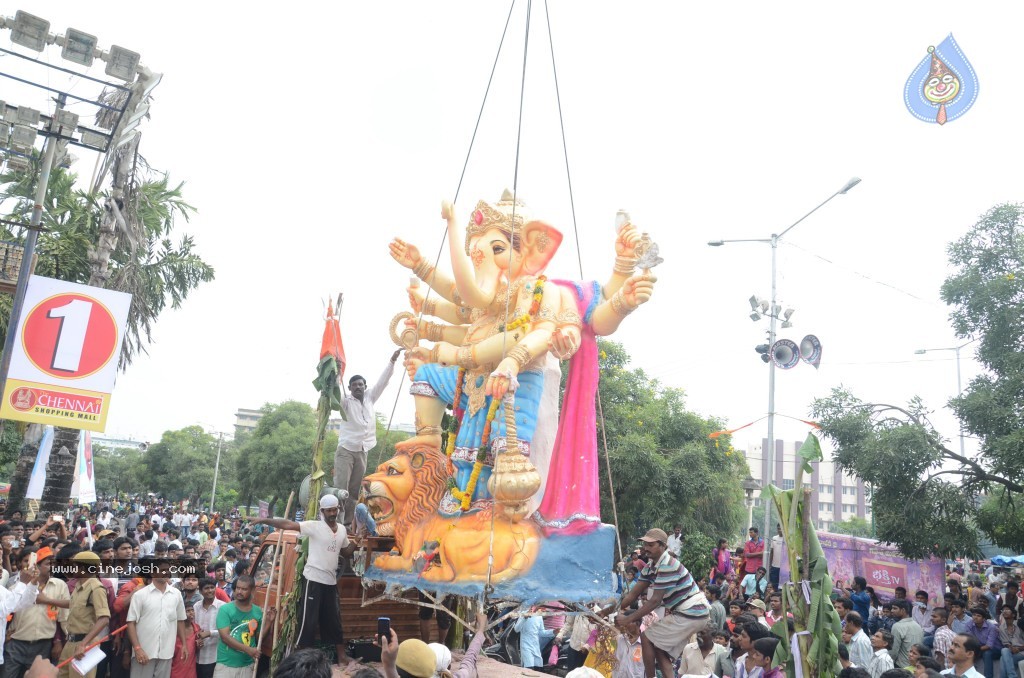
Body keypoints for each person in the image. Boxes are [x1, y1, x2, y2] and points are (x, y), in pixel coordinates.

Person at [250, 496, 356, 666]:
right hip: (313, 581)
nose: (332, 513)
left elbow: (346, 552)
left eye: (334, 509)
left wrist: (357, 540)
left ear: (338, 509)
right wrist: (264, 519)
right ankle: (303, 661)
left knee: (335, 620)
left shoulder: (342, 530)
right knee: (308, 621)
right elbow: (287, 524)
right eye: (328, 510)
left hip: (330, 582)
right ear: (322, 511)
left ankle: (342, 656)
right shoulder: (314, 526)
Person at [597, 529, 710, 678]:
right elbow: (631, 595)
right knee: (659, 649)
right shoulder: (650, 567)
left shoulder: (667, 564)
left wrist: (628, 618)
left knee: (647, 637)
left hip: (692, 611)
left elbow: (655, 601)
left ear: (663, 546)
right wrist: (604, 612)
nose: (646, 548)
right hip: (689, 613)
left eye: (651, 545)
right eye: (645, 544)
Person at [333, 350, 401, 525]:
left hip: (363, 451)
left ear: (365, 386)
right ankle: (337, 524)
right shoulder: (346, 402)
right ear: (349, 388)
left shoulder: (370, 398)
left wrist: (392, 361)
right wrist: (337, 373)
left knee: (354, 492)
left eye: (360, 384)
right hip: (346, 450)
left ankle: (347, 525)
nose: (358, 387)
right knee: (341, 489)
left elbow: (383, 382)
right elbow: (335, 393)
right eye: (354, 385)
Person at [126, 564, 189, 678]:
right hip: (144, 652)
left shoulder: (176, 594)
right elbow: (131, 623)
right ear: (152, 573)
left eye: (168, 570)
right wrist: (137, 649)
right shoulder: (140, 595)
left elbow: (180, 620)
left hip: (166, 651)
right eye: (162, 570)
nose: (166, 573)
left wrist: (184, 644)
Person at [57, 552, 108, 678]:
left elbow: (104, 618)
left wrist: (83, 644)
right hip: (71, 642)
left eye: (74, 565)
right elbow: (72, 604)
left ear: (83, 568)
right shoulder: (79, 585)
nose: (71, 568)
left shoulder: (96, 588)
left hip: (85, 644)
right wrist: (46, 600)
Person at [214, 576, 274, 678]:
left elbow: (259, 639)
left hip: (247, 665)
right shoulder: (225, 609)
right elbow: (225, 637)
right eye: (238, 588)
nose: (239, 592)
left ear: (252, 590)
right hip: (226, 665)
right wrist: (248, 650)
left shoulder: (257, 612)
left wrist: (269, 622)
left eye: (244, 589)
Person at [192, 579, 222, 678]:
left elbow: (226, 631)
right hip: (197, 655)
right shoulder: (196, 606)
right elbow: (193, 627)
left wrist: (210, 633)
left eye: (212, 587)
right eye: (206, 588)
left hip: (214, 656)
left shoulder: (222, 607)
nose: (210, 590)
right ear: (200, 591)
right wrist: (198, 638)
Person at [963, 606, 1000, 678]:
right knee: (967, 654)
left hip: (995, 649)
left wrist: (976, 650)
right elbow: (970, 640)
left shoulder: (991, 627)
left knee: (987, 653)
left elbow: (989, 645)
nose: (975, 617)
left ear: (984, 619)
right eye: (974, 615)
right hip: (979, 648)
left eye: (978, 616)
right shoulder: (969, 624)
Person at [890, 600, 925, 669]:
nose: (892, 611)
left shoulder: (897, 626)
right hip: (915, 666)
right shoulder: (917, 625)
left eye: (895, 608)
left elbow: (893, 652)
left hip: (901, 667)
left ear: (903, 610)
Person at [169, 603, 199, 678]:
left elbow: (196, 649)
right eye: (187, 611)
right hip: (175, 669)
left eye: (192, 610)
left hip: (191, 670)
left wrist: (199, 645)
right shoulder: (174, 630)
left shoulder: (197, 628)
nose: (191, 613)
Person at [997, 604, 1024, 678]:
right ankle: (1012, 675)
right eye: (1003, 610)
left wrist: (1018, 648)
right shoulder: (1001, 627)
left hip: (1022, 651)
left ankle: (1012, 676)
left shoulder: (1020, 624)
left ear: (1013, 614)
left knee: (1003, 659)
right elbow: (1005, 643)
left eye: (1007, 610)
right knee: (1005, 650)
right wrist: (1011, 648)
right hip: (1011, 651)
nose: (1004, 611)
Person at [769, 525, 785, 589]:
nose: (779, 530)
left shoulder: (787, 539)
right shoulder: (774, 538)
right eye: (778, 528)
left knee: (783, 586)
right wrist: (770, 565)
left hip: (784, 568)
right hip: (774, 566)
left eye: (781, 528)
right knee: (774, 585)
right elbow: (772, 552)